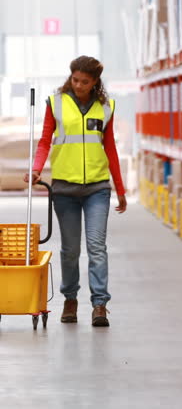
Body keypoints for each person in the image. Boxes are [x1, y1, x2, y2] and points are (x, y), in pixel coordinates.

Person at [24, 55, 127, 327]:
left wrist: (121, 188)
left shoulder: (106, 108)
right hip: (65, 189)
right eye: (75, 79)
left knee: (96, 247)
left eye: (85, 81)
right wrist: (36, 169)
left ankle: (100, 305)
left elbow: (111, 149)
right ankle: (70, 299)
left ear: (95, 83)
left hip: (97, 188)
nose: (78, 85)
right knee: (70, 250)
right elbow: (46, 140)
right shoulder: (55, 104)